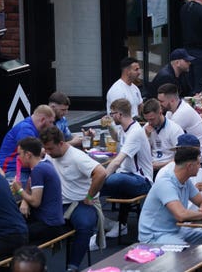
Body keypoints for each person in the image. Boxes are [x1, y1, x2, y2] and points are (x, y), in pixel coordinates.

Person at [40, 126, 107, 270]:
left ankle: (72, 266)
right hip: (60, 203)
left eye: (50, 149)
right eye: (46, 149)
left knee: (84, 225)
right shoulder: (49, 155)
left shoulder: (77, 157)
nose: (48, 153)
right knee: (34, 224)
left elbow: (101, 173)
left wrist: (89, 196)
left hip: (81, 203)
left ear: (61, 144)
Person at [138, 146, 202, 246]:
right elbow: (181, 215)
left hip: (175, 230)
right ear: (189, 166)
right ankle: (188, 260)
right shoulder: (166, 184)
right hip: (155, 235)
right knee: (181, 247)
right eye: (198, 163)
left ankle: (196, 260)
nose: (200, 166)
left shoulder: (185, 182)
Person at [101, 98, 153, 236]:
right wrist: (109, 125)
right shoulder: (126, 128)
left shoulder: (135, 132)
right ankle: (111, 222)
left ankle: (102, 221)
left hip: (142, 180)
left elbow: (117, 162)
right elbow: (117, 137)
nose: (112, 116)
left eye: (112, 114)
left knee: (112, 179)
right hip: (128, 175)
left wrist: (100, 178)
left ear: (119, 114)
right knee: (101, 178)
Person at [11, 137, 66, 243]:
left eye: (20, 154)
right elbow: (29, 186)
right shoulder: (44, 165)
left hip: (48, 225)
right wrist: (25, 200)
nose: (18, 158)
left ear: (28, 155)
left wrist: (19, 190)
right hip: (52, 221)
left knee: (13, 237)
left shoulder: (38, 170)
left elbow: (35, 202)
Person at [0, 105, 55, 183]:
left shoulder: (33, 128)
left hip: (23, 170)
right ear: (43, 120)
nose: (52, 125)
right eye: (50, 122)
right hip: (12, 171)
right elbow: (33, 154)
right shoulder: (25, 129)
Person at [155, 134, 202, 211]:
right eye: (193, 154)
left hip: (196, 219)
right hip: (174, 220)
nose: (197, 157)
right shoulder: (164, 174)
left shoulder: (200, 171)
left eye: (197, 154)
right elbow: (176, 212)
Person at [157, 83, 202, 163]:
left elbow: (165, 138)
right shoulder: (170, 111)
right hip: (186, 153)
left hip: (196, 160)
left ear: (172, 101)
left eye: (161, 101)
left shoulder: (182, 113)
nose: (159, 104)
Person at [141, 98, 184, 172]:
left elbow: (182, 157)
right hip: (150, 168)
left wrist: (160, 166)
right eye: (147, 120)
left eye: (152, 119)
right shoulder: (146, 128)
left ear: (160, 113)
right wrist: (147, 137)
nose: (149, 123)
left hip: (169, 168)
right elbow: (142, 153)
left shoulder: (174, 129)